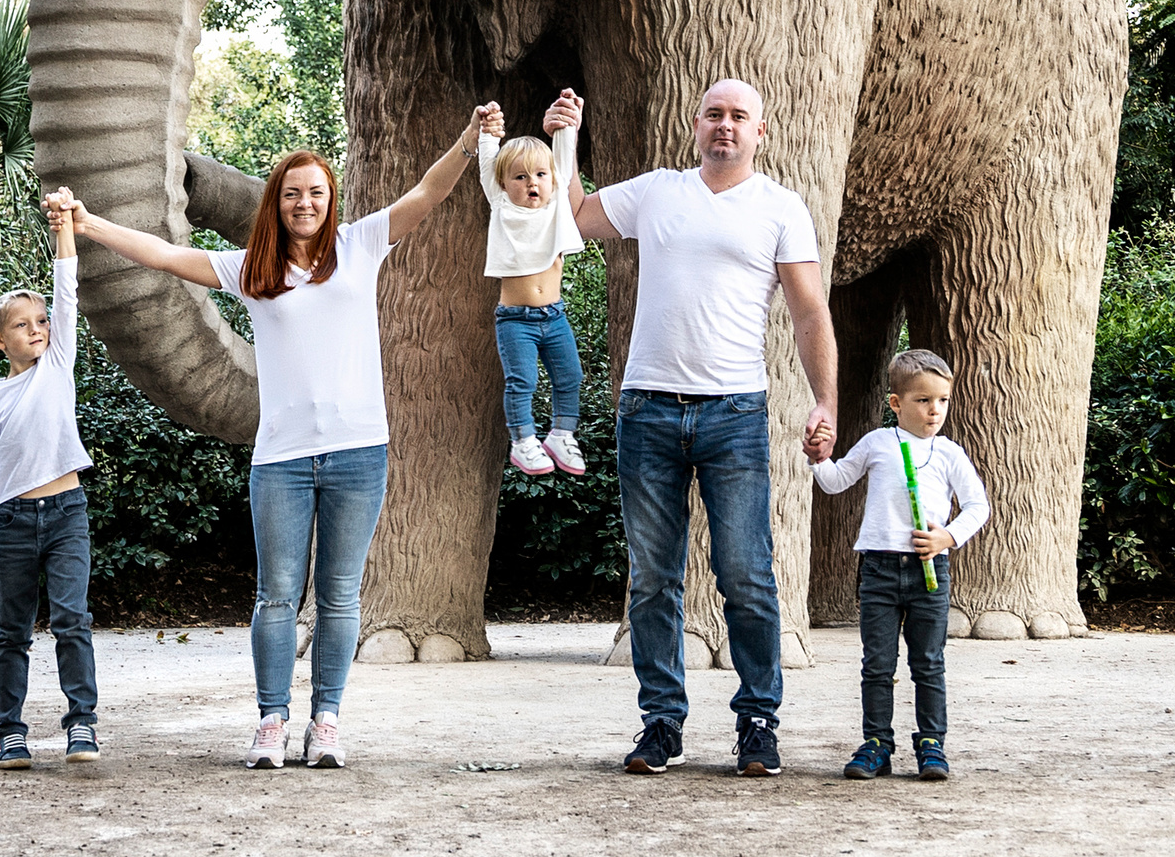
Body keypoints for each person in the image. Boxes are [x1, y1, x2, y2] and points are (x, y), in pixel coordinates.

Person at [60, 102, 501, 769]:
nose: (305, 203)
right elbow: (166, 255)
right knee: (275, 595)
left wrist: (469, 140)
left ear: (330, 198)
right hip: (282, 460)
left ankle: (326, 721)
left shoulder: (359, 245)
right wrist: (88, 222)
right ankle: (272, 719)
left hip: (358, 453)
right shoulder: (253, 269)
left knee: (340, 594)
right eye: (293, 193)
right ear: (277, 201)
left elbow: (425, 194)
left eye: (316, 192)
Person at [553, 80, 839, 778]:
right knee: (653, 578)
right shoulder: (656, 191)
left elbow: (808, 311)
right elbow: (576, 219)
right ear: (695, 124)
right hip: (647, 409)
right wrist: (565, 139)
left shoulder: (780, 207)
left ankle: (759, 721)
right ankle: (661, 722)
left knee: (746, 574)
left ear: (760, 132)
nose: (725, 126)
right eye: (714, 114)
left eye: (739, 116)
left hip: (733, 413)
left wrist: (825, 401)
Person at [0, 191, 98, 769]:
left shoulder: (58, 365)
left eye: (41, 321)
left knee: (72, 622)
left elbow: (66, 289)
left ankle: (82, 724)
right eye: (21, 325)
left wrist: (64, 228)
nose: (37, 329)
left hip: (67, 513)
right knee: (13, 632)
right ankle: (10, 731)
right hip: (15, 524)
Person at [812, 346, 988, 784]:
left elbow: (977, 506)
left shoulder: (949, 452)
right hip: (879, 569)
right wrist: (818, 458)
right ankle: (877, 743)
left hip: (930, 571)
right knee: (877, 663)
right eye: (923, 400)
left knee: (928, 662)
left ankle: (932, 743)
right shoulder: (878, 443)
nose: (934, 410)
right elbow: (836, 481)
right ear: (896, 403)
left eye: (942, 400)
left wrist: (947, 536)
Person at [479, 117, 589, 477]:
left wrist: (567, 125)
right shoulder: (501, 206)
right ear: (503, 184)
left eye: (540, 175)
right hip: (515, 321)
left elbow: (563, 162)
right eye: (520, 177)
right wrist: (488, 132)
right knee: (522, 381)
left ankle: (561, 435)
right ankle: (524, 441)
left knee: (570, 375)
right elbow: (487, 162)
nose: (532, 183)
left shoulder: (556, 205)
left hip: (555, 317)